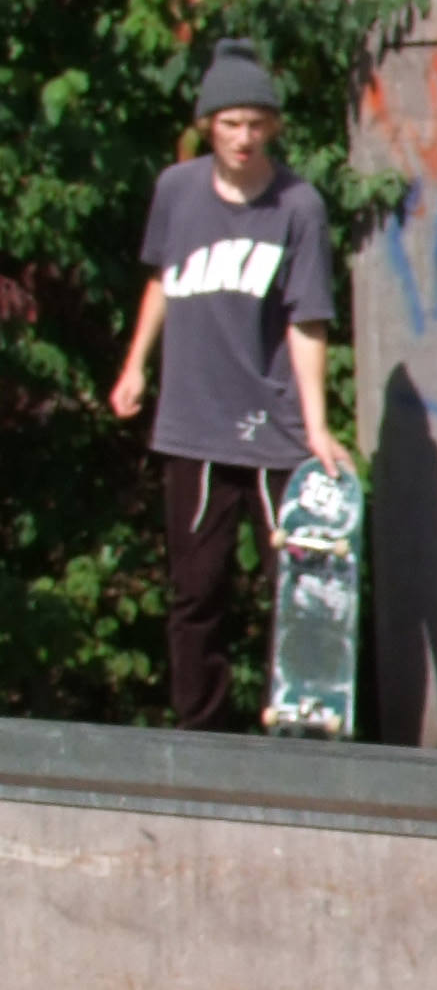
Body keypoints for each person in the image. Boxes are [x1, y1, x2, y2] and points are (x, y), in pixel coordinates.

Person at [108, 38, 349, 731]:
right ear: (207, 125)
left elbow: (308, 319)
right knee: (196, 591)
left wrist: (317, 427)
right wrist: (135, 365)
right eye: (230, 123)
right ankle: (201, 736)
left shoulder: (298, 206)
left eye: (256, 124)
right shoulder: (176, 191)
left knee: (295, 593)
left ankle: (300, 728)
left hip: (273, 427)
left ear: (273, 126)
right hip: (195, 424)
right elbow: (162, 278)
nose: (243, 138)